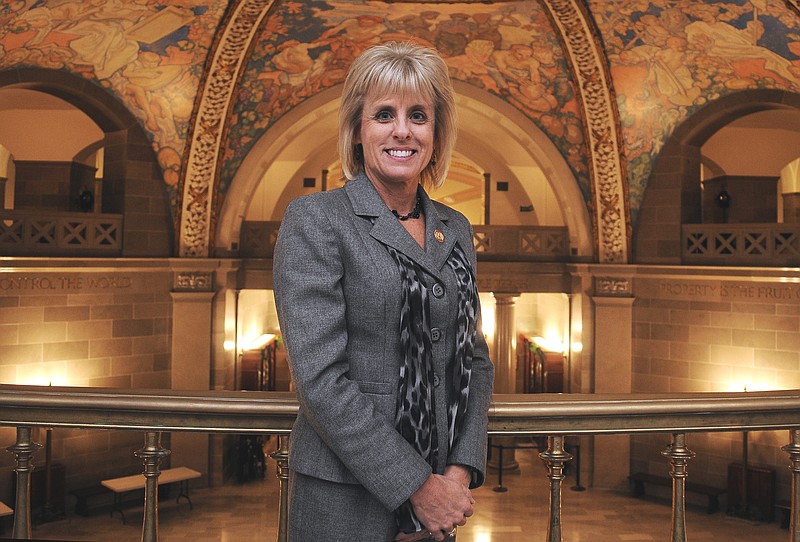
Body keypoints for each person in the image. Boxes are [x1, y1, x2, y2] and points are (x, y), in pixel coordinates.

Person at [273, 41, 495, 542]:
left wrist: (457, 473)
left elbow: (473, 360)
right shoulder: (317, 220)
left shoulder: (455, 228)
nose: (402, 130)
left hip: (441, 499)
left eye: (419, 115)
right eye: (383, 114)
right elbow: (320, 379)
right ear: (357, 131)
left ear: (436, 134)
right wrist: (415, 485)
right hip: (345, 495)